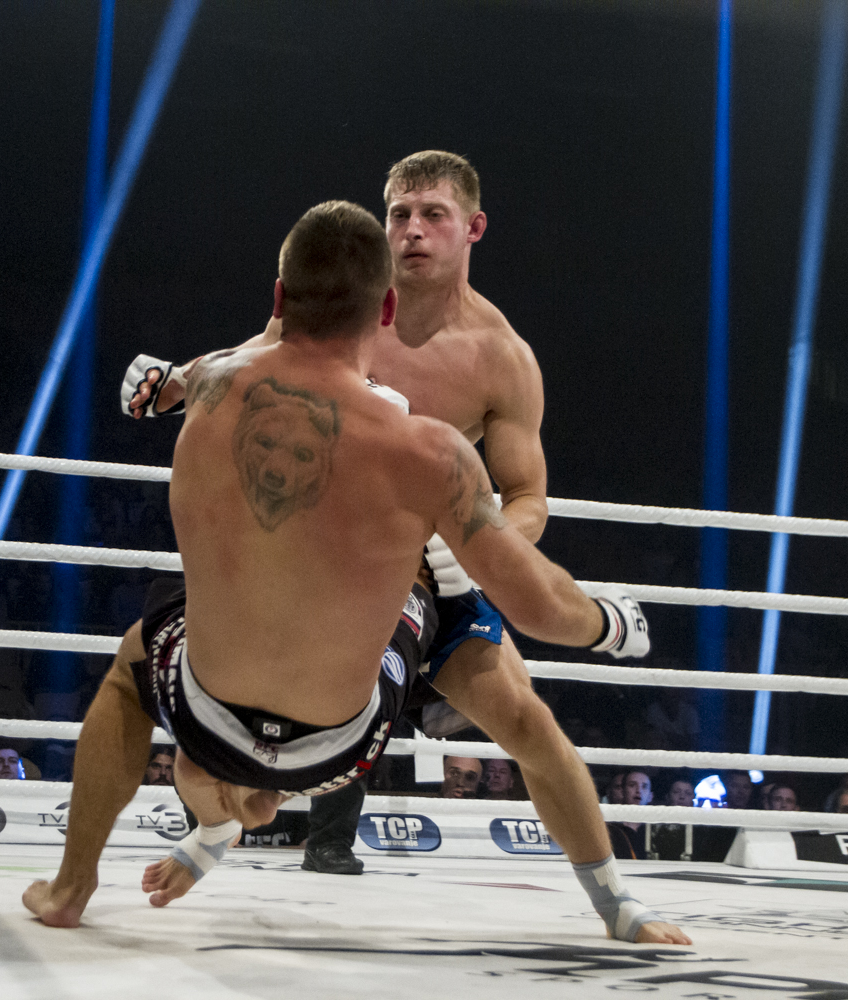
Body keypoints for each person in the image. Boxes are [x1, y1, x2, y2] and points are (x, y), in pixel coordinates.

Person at [25, 201, 684, 946]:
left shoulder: (214, 387)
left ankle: (75, 885)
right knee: (433, 601)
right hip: (343, 745)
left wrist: (161, 382)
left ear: (279, 298)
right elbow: (537, 607)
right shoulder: (431, 451)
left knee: (133, 667)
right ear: (386, 309)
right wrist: (610, 624)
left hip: (203, 719)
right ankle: (613, 906)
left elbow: (192, 375)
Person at [119, 152, 643, 877]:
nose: (413, 230)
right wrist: (171, 383)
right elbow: (252, 360)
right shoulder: (347, 307)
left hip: (434, 566)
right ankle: (217, 833)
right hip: (332, 551)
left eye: (433, 215)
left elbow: (528, 496)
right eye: (400, 214)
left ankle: (617, 900)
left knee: (527, 721)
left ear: (473, 228)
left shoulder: (501, 357)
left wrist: (475, 546)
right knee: (264, 709)